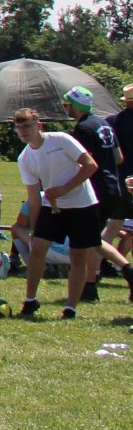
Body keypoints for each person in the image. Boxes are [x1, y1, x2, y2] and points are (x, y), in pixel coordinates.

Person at [13, 107, 101, 320]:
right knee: (37, 249)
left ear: (39, 125)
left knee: (78, 257)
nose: (23, 131)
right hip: (52, 207)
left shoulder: (61, 140)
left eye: (27, 126)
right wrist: (34, 228)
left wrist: (65, 189)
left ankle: (70, 308)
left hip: (82, 205)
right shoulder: (25, 158)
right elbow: (33, 197)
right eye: (19, 128)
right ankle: (30, 300)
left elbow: (90, 165)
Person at [61, 85, 133, 298]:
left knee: (90, 238)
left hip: (95, 188)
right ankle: (91, 285)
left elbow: (82, 162)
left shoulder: (85, 128)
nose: (65, 107)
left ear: (75, 105)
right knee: (93, 236)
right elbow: (118, 158)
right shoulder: (104, 124)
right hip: (115, 186)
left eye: (67, 104)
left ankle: (114, 273)